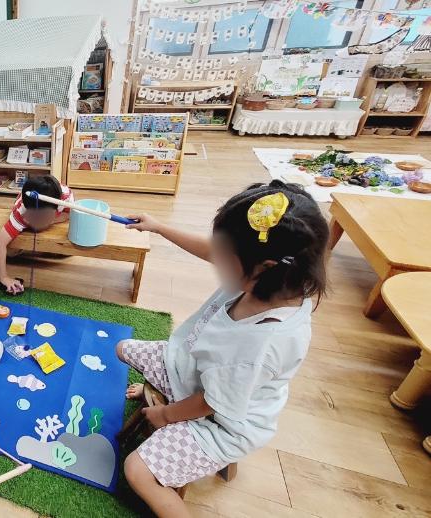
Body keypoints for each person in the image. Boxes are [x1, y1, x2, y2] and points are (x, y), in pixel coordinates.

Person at [115, 180, 329, 518]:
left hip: (221, 423)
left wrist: (165, 415)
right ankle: (160, 393)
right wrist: (158, 227)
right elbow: (212, 251)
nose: (217, 260)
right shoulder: (275, 279)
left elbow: (212, 403)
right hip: (192, 373)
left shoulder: (262, 342)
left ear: (264, 267)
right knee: (122, 348)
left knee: (137, 471)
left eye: (225, 256)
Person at [0, 175, 74, 294]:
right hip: (23, 209)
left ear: (57, 206)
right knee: (10, 252)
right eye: (35, 217)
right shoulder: (21, 212)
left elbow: (68, 215)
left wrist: (50, 221)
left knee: (66, 253)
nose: (39, 221)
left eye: (44, 216)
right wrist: (4, 278)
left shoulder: (66, 197)